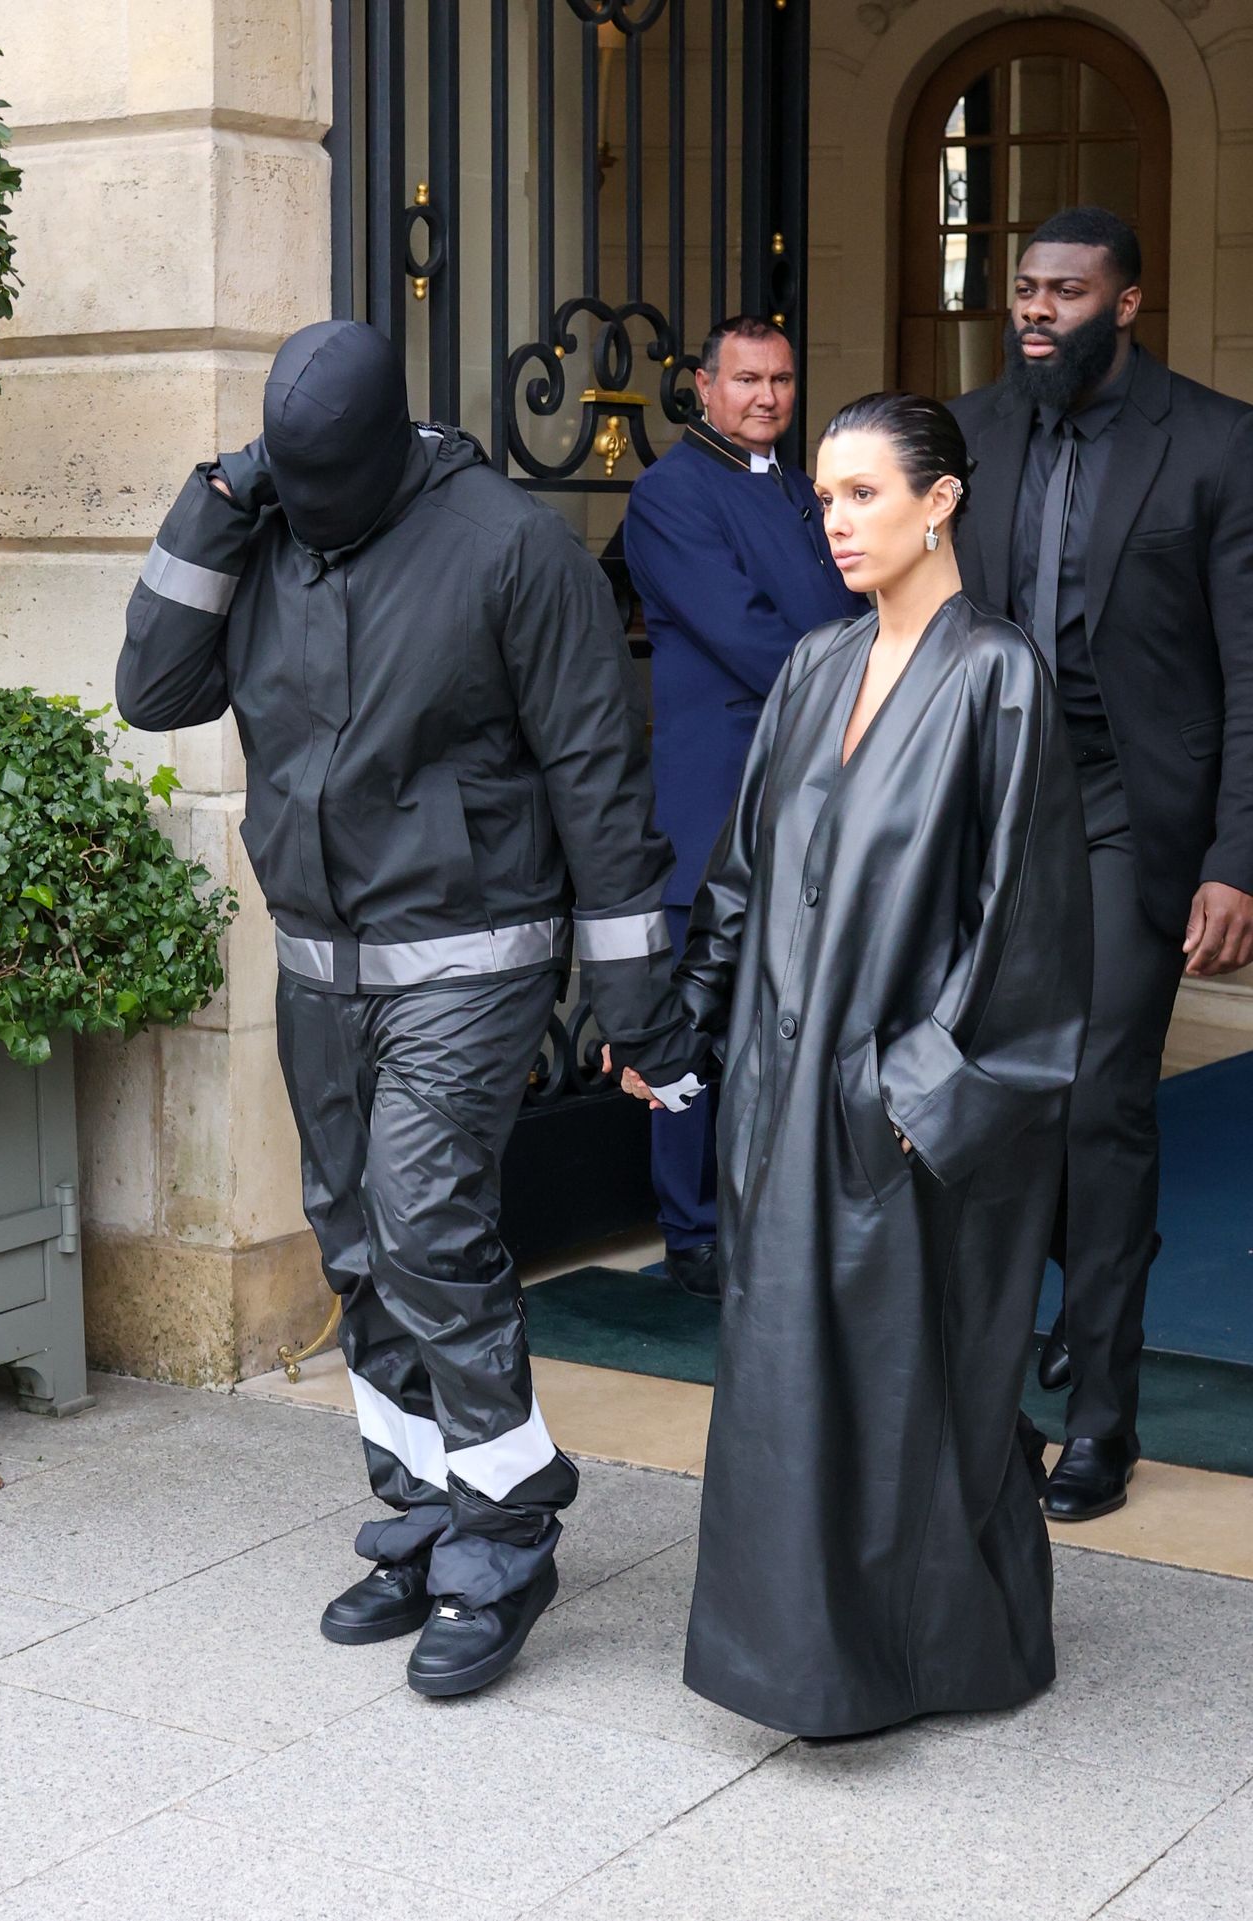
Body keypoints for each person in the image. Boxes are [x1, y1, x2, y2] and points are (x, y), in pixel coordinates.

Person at [116, 319, 700, 1698]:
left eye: (325, 482)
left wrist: (636, 997)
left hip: (472, 955)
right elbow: (151, 690)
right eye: (286, 480)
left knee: (427, 1218)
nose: (307, 508)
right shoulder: (257, 528)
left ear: (387, 447)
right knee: (357, 1240)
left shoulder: (510, 548)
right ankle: (429, 1505)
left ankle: (507, 1531)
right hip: (322, 964)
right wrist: (214, 504)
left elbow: (598, 782)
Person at [626, 392, 1093, 1738]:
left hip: (898, 1116)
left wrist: (912, 1098)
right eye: (823, 497)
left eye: (863, 495)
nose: (833, 521)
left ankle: (938, 1655)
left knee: (909, 1391)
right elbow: (742, 875)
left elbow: (1032, 932)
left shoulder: (999, 676)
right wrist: (679, 1029)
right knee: (788, 1389)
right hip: (780, 1104)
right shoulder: (815, 666)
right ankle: (802, 1662)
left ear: (940, 500)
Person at [950, 207, 1253, 1522]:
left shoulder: (1219, 443)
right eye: (1025, 289)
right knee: (999, 1110)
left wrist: (1236, 859)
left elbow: (1252, 673)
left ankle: (1103, 1423)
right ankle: (1020, 1362)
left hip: (1137, 819)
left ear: (1126, 304)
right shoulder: (969, 432)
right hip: (1001, 814)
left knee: (1098, 1104)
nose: (1037, 311)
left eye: (1065, 292)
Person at [622, 316, 866, 1300]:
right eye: (745, 380)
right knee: (696, 1015)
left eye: (780, 379)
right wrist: (870, 677)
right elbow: (754, 637)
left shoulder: (809, 492)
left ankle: (778, 1210)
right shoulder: (668, 493)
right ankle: (691, 1233)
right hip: (716, 791)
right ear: (702, 387)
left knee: (791, 1010)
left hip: (815, 781)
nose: (765, 397)